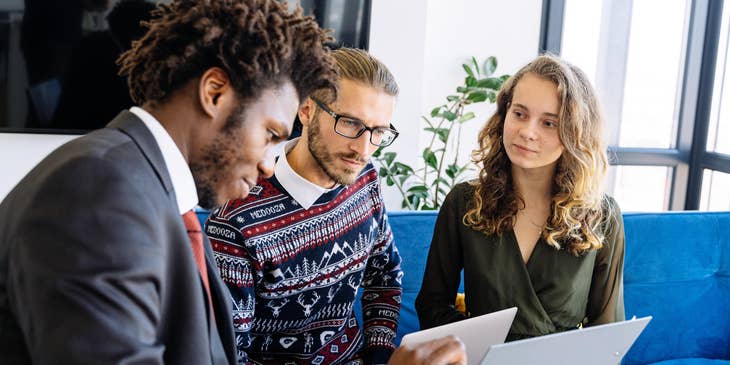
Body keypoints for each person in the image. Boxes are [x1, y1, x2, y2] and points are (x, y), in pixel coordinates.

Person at [0, 0, 337, 363]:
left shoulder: (147, 189)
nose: (269, 166)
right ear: (215, 93)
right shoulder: (98, 191)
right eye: (271, 134)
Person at [206, 48, 403, 364]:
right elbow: (228, 353)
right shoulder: (237, 220)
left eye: (378, 131)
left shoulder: (365, 177)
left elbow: (385, 276)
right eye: (349, 123)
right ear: (307, 110)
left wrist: (379, 358)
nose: (364, 148)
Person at [415, 54, 625, 341]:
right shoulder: (463, 203)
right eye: (520, 114)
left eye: (549, 123)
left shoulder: (602, 215)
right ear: (504, 113)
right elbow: (432, 307)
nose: (527, 132)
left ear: (576, 133)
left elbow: (607, 331)